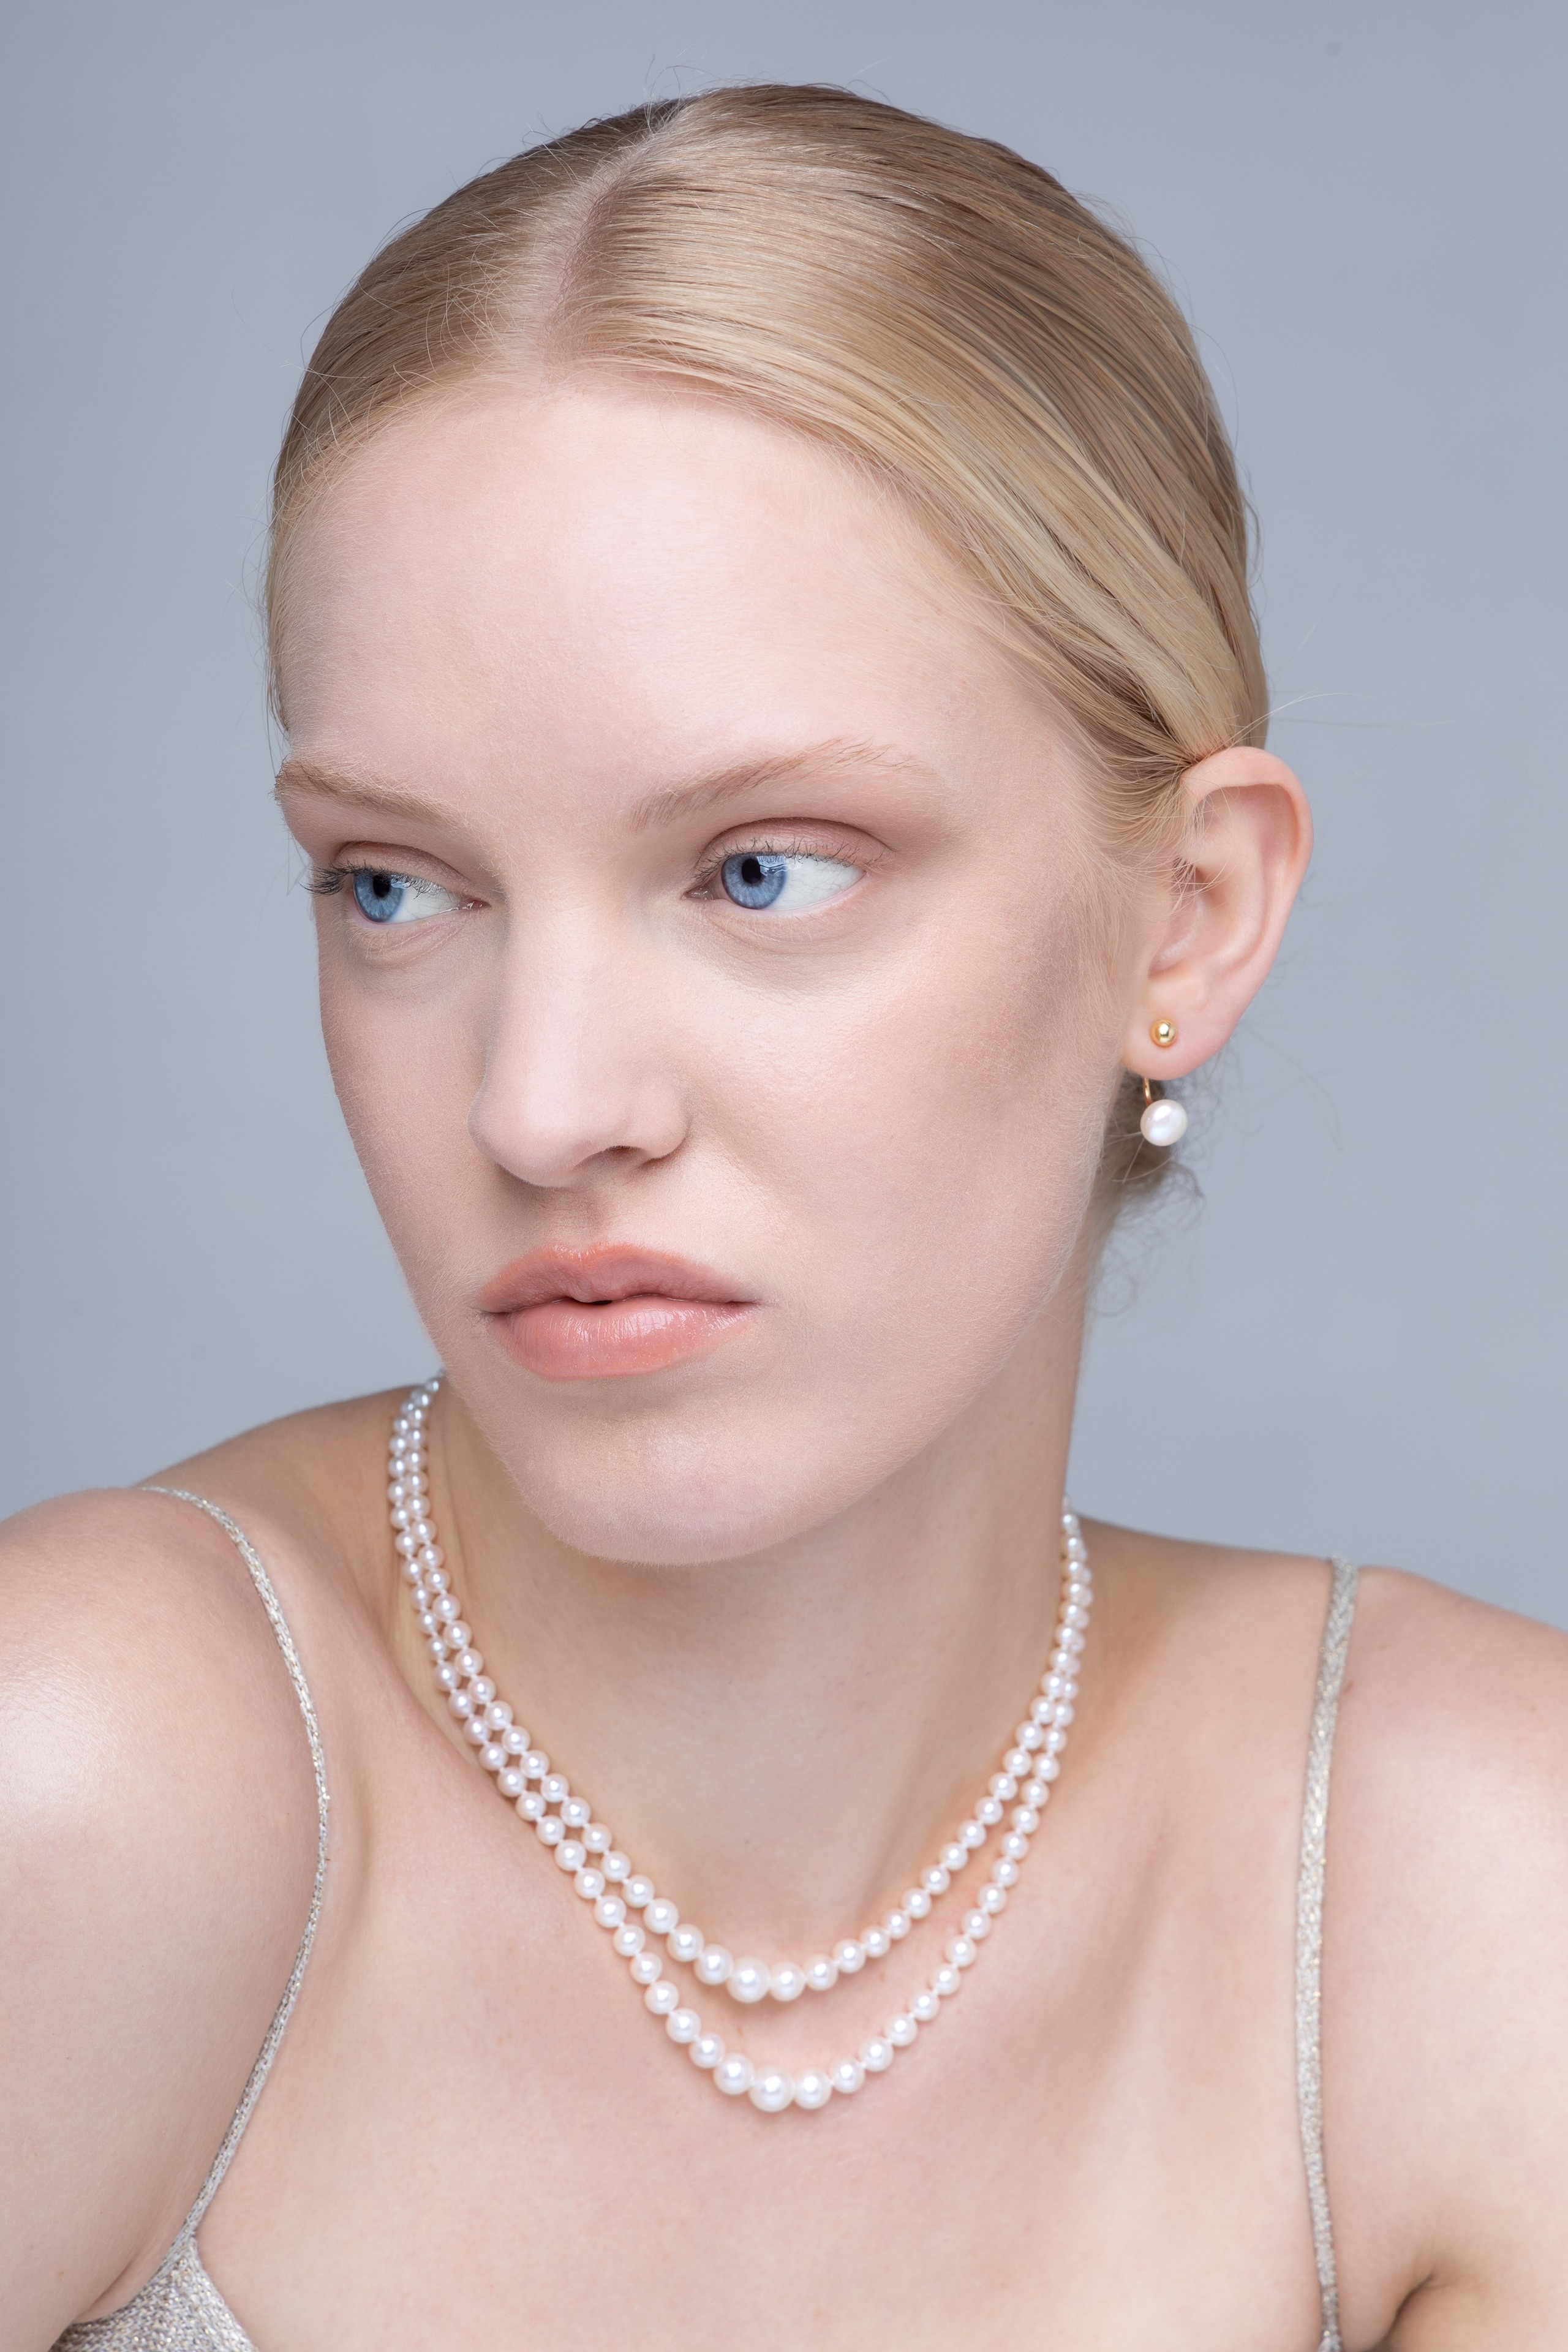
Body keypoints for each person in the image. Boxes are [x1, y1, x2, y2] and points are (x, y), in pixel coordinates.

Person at [4, 83, 1565, 2352]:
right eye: (396, 885)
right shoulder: (85, 1786)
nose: (543, 1105)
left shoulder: (1469, 1904)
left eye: (763, 870)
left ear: (1189, 918)